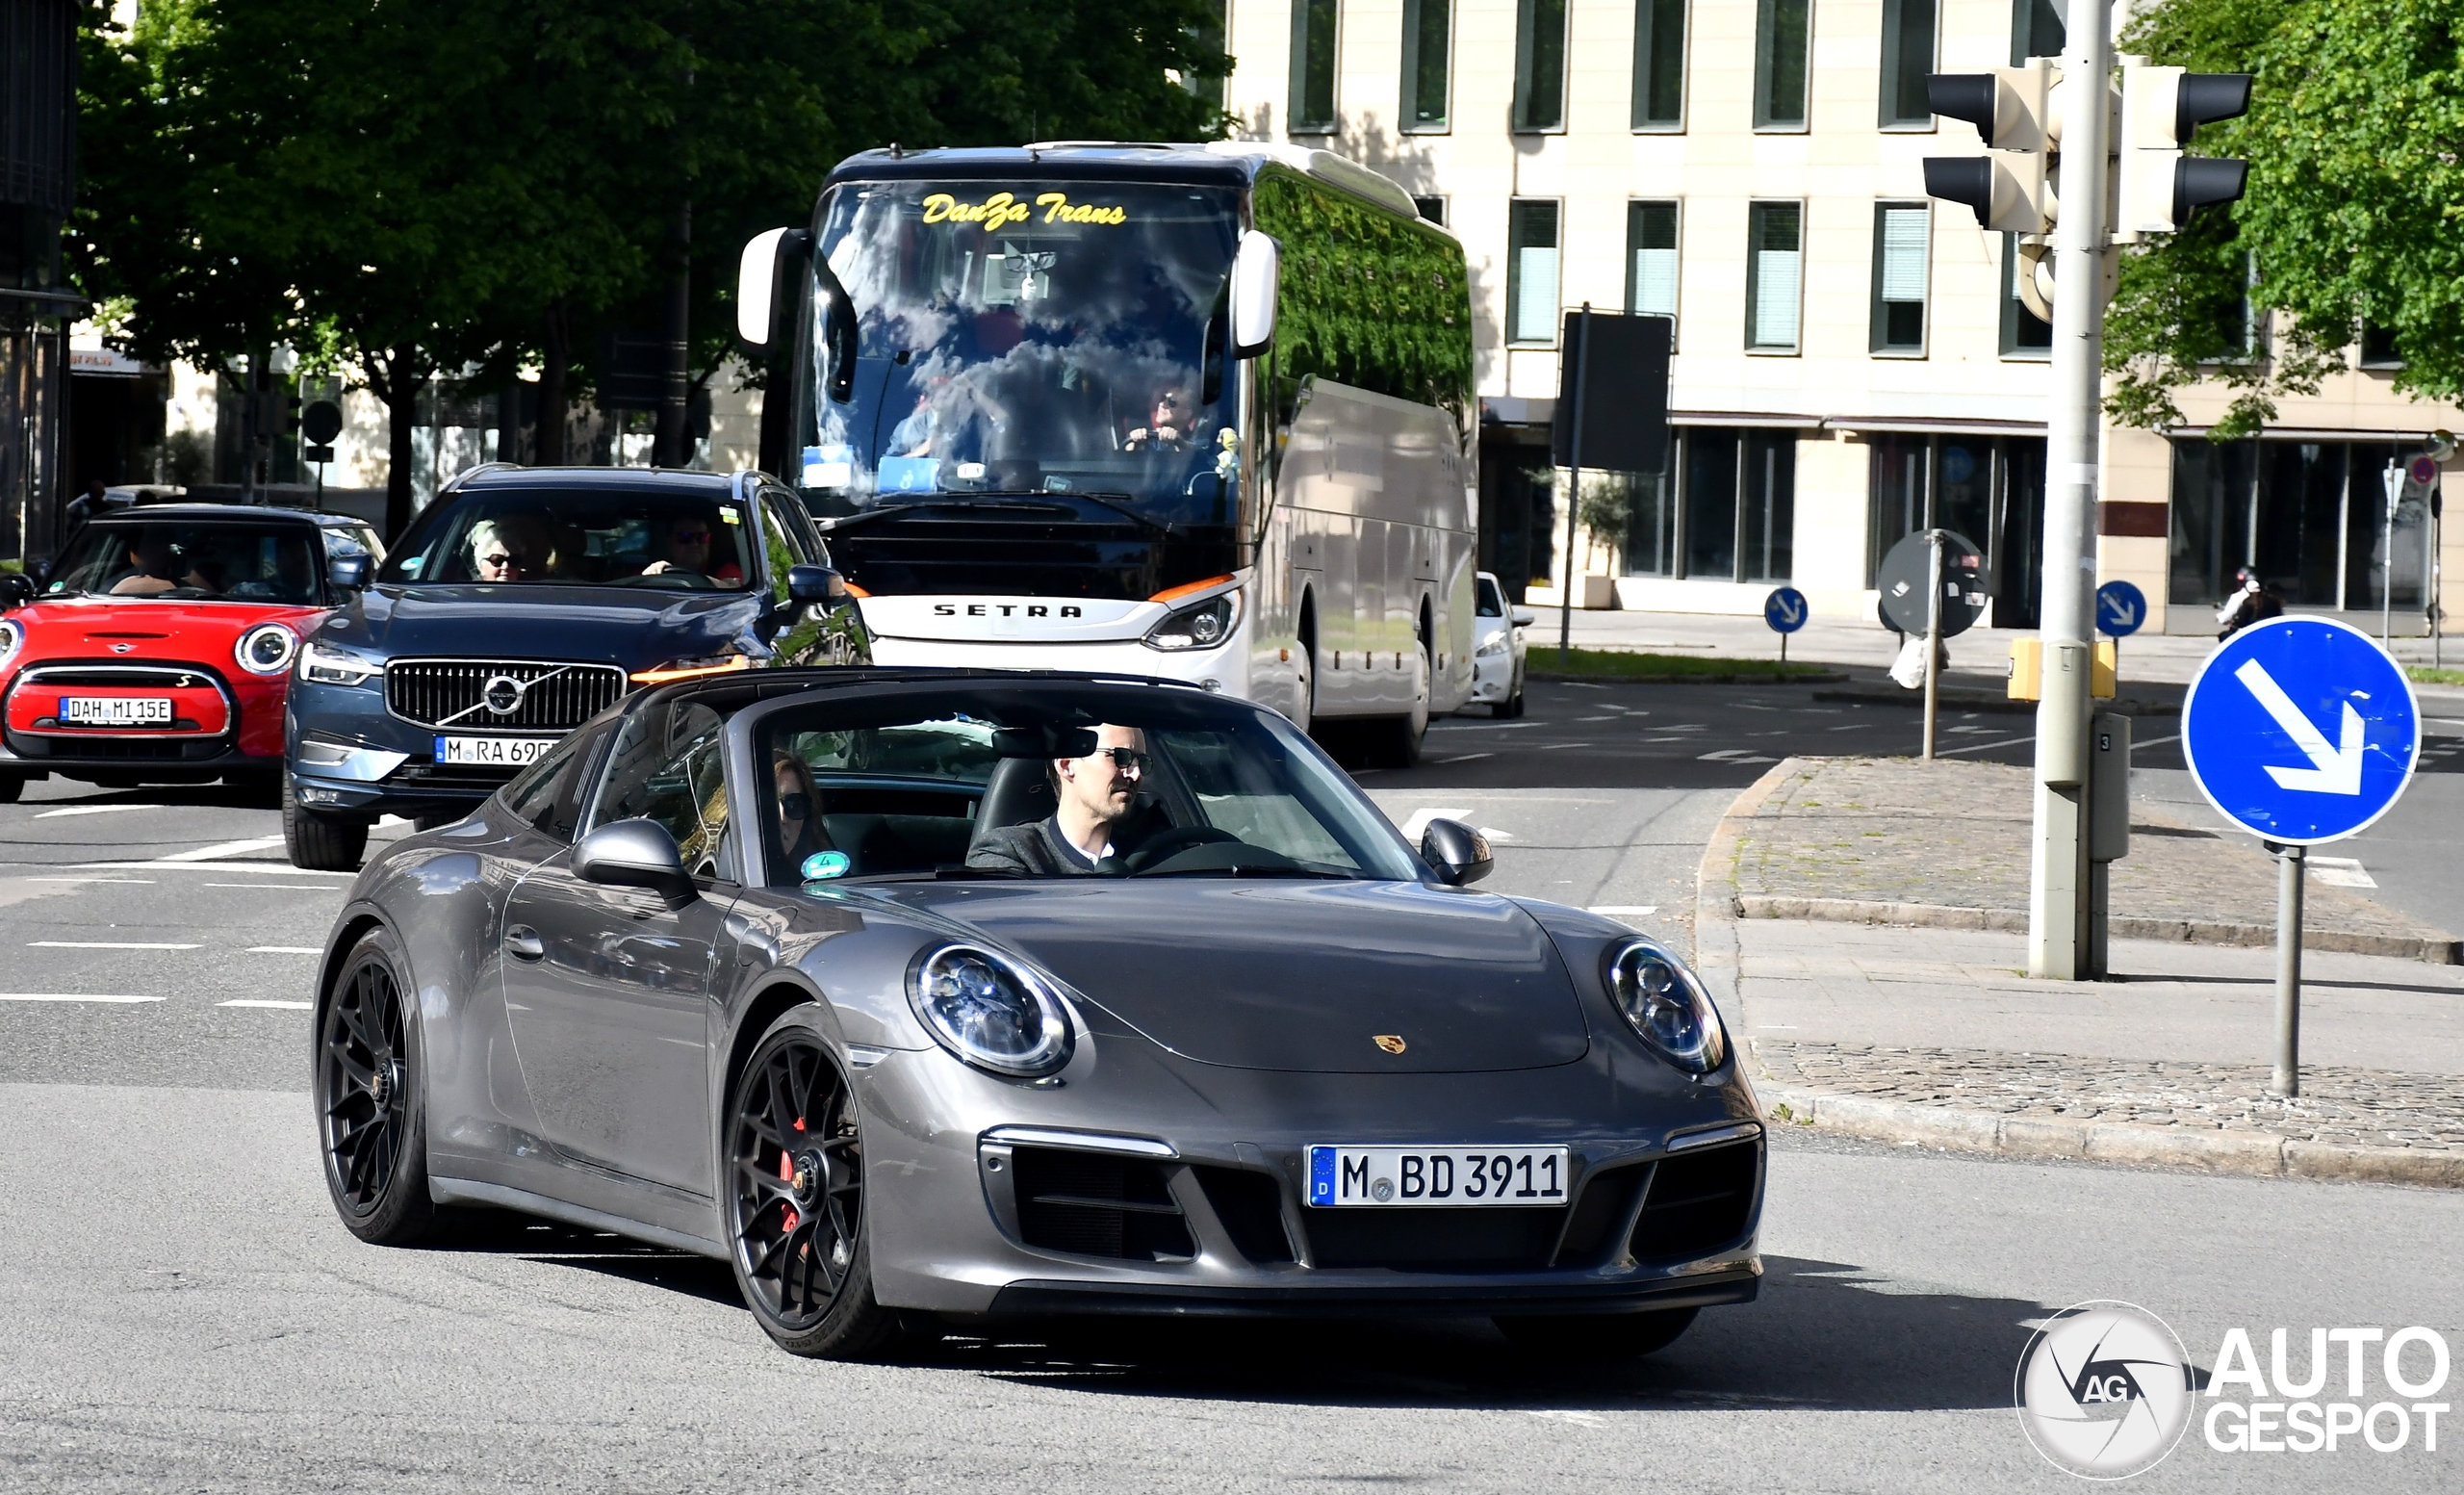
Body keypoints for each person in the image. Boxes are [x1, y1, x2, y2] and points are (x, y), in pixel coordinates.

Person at [967, 724, 1151, 875]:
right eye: (1120, 757)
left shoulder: (1152, 856)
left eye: (1142, 762)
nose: (1136, 773)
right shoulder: (1010, 852)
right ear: (1066, 765)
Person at [640, 512, 744, 584]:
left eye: (701, 537)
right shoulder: (656, 570)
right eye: (684, 537)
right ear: (670, 542)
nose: (694, 544)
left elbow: (734, 588)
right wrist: (652, 577)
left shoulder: (726, 570)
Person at [774, 751, 835, 869]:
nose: (782, 817)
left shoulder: (823, 876)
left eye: (794, 804)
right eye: (768, 804)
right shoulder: (730, 873)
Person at [467, 514, 554, 582]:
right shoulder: (466, 598)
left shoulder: (535, 596)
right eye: (497, 560)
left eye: (514, 561)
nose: (505, 566)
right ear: (480, 565)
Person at [2215, 567, 2284, 638]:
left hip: (2248, 634)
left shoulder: (2240, 598)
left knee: (2223, 636)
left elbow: (2228, 618)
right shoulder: (2272, 599)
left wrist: (2220, 617)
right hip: (2271, 633)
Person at [1123, 388, 1195, 451]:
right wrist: (1134, 442)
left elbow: (1199, 456)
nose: (1162, 404)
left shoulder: (1198, 438)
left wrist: (1180, 443)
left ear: (1186, 413)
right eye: (1163, 398)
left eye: (1172, 402)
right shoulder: (1154, 440)